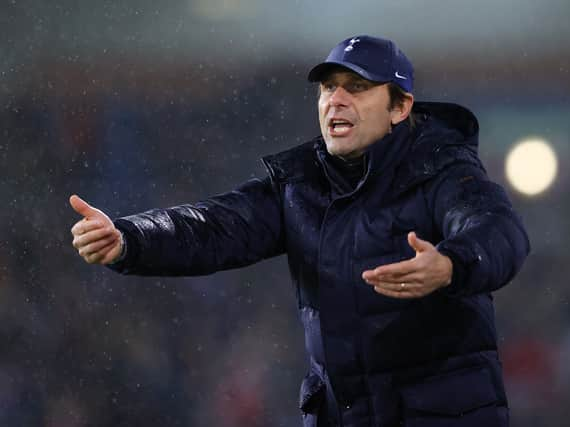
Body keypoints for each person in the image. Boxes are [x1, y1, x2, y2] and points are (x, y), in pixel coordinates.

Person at [70, 35, 530, 427]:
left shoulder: (444, 167)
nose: (336, 99)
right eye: (328, 88)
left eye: (358, 87)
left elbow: (498, 229)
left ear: (400, 107)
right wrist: (130, 238)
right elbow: (215, 225)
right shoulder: (300, 185)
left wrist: (451, 264)